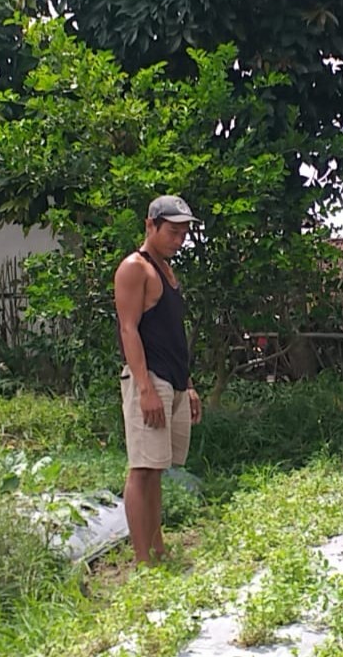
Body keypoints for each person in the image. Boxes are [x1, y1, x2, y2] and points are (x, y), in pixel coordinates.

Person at [113, 194, 204, 565]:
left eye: (184, 233)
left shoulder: (167, 271)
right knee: (142, 468)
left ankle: (157, 545)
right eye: (172, 232)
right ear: (150, 225)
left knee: (157, 469)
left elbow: (171, 334)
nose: (179, 240)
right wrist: (145, 388)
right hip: (148, 380)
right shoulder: (135, 268)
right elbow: (129, 329)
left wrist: (189, 383)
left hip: (173, 379)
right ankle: (142, 559)